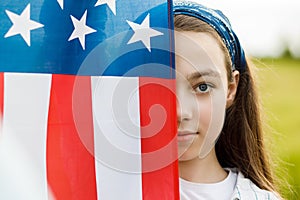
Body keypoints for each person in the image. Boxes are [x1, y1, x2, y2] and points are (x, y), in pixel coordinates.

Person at [173, 1, 282, 199]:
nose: (181, 112)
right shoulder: (109, 189)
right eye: (162, 88)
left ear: (231, 89)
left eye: (202, 87)